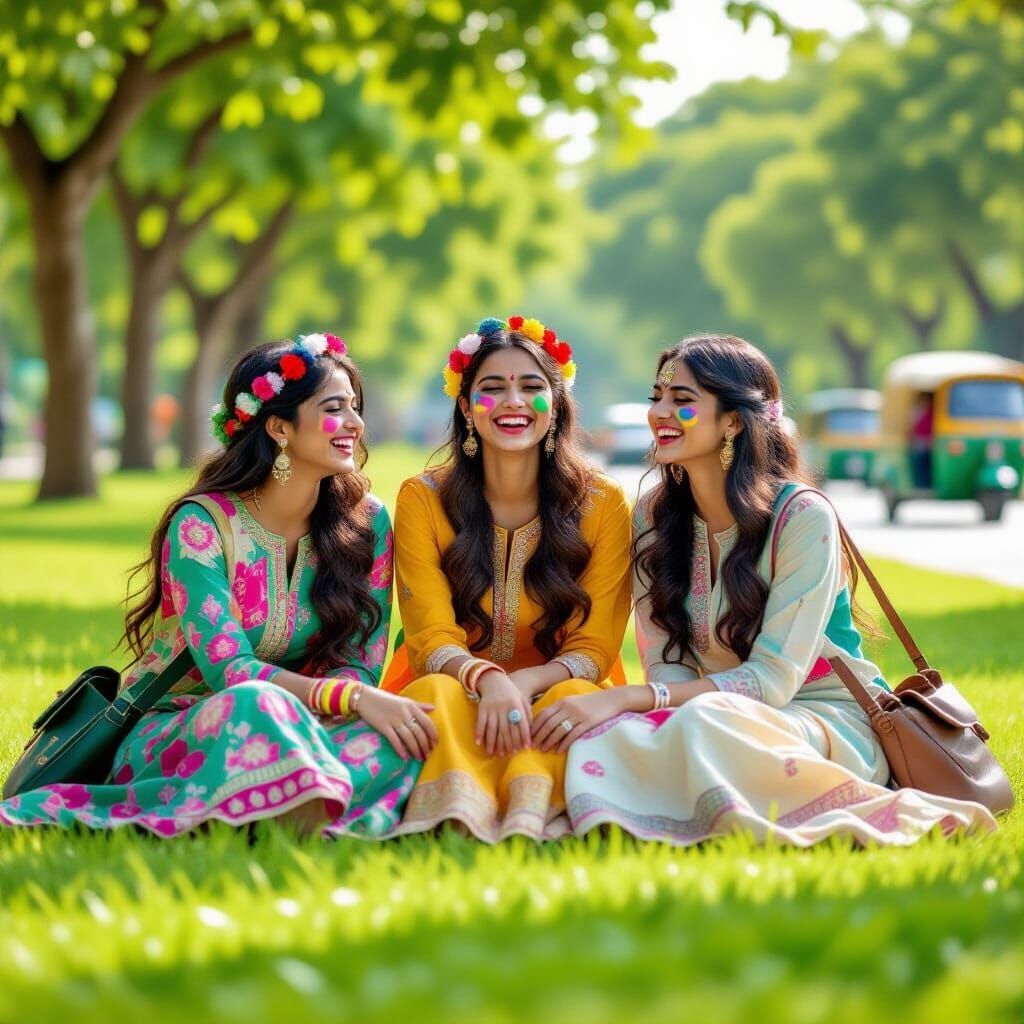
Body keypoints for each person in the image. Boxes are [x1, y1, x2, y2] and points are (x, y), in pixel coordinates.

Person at [549, 334, 995, 846]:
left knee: (696, 726)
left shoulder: (803, 517)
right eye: (658, 398)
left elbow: (772, 682)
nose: (660, 414)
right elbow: (665, 661)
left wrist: (639, 699)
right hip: (710, 716)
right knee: (604, 728)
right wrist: (645, 707)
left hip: (822, 719)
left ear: (734, 421)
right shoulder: (654, 515)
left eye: (683, 401)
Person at [0, 333, 436, 837]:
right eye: (336, 408)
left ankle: (285, 804)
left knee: (400, 733)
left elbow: (359, 659)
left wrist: (354, 709)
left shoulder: (367, 525)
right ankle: (308, 809)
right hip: (191, 724)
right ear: (279, 428)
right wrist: (352, 701)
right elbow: (232, 671)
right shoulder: (203, 526)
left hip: (310, 724)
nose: (357, 425)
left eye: (355, 408)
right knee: (256, 701)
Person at [381, 315, 632, 842]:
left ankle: (533, 814)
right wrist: (487, 679)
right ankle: (457, 814)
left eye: (531, 387)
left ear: (556, 404)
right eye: (492, 388)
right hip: (452, 682)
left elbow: (598, 641)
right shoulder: (423, 499)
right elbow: (428, 635)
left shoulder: (604, 503)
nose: (513, 401)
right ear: (467, 409)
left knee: (572, 701)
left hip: (560, 686)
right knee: (435, 695)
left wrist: (525, 682)